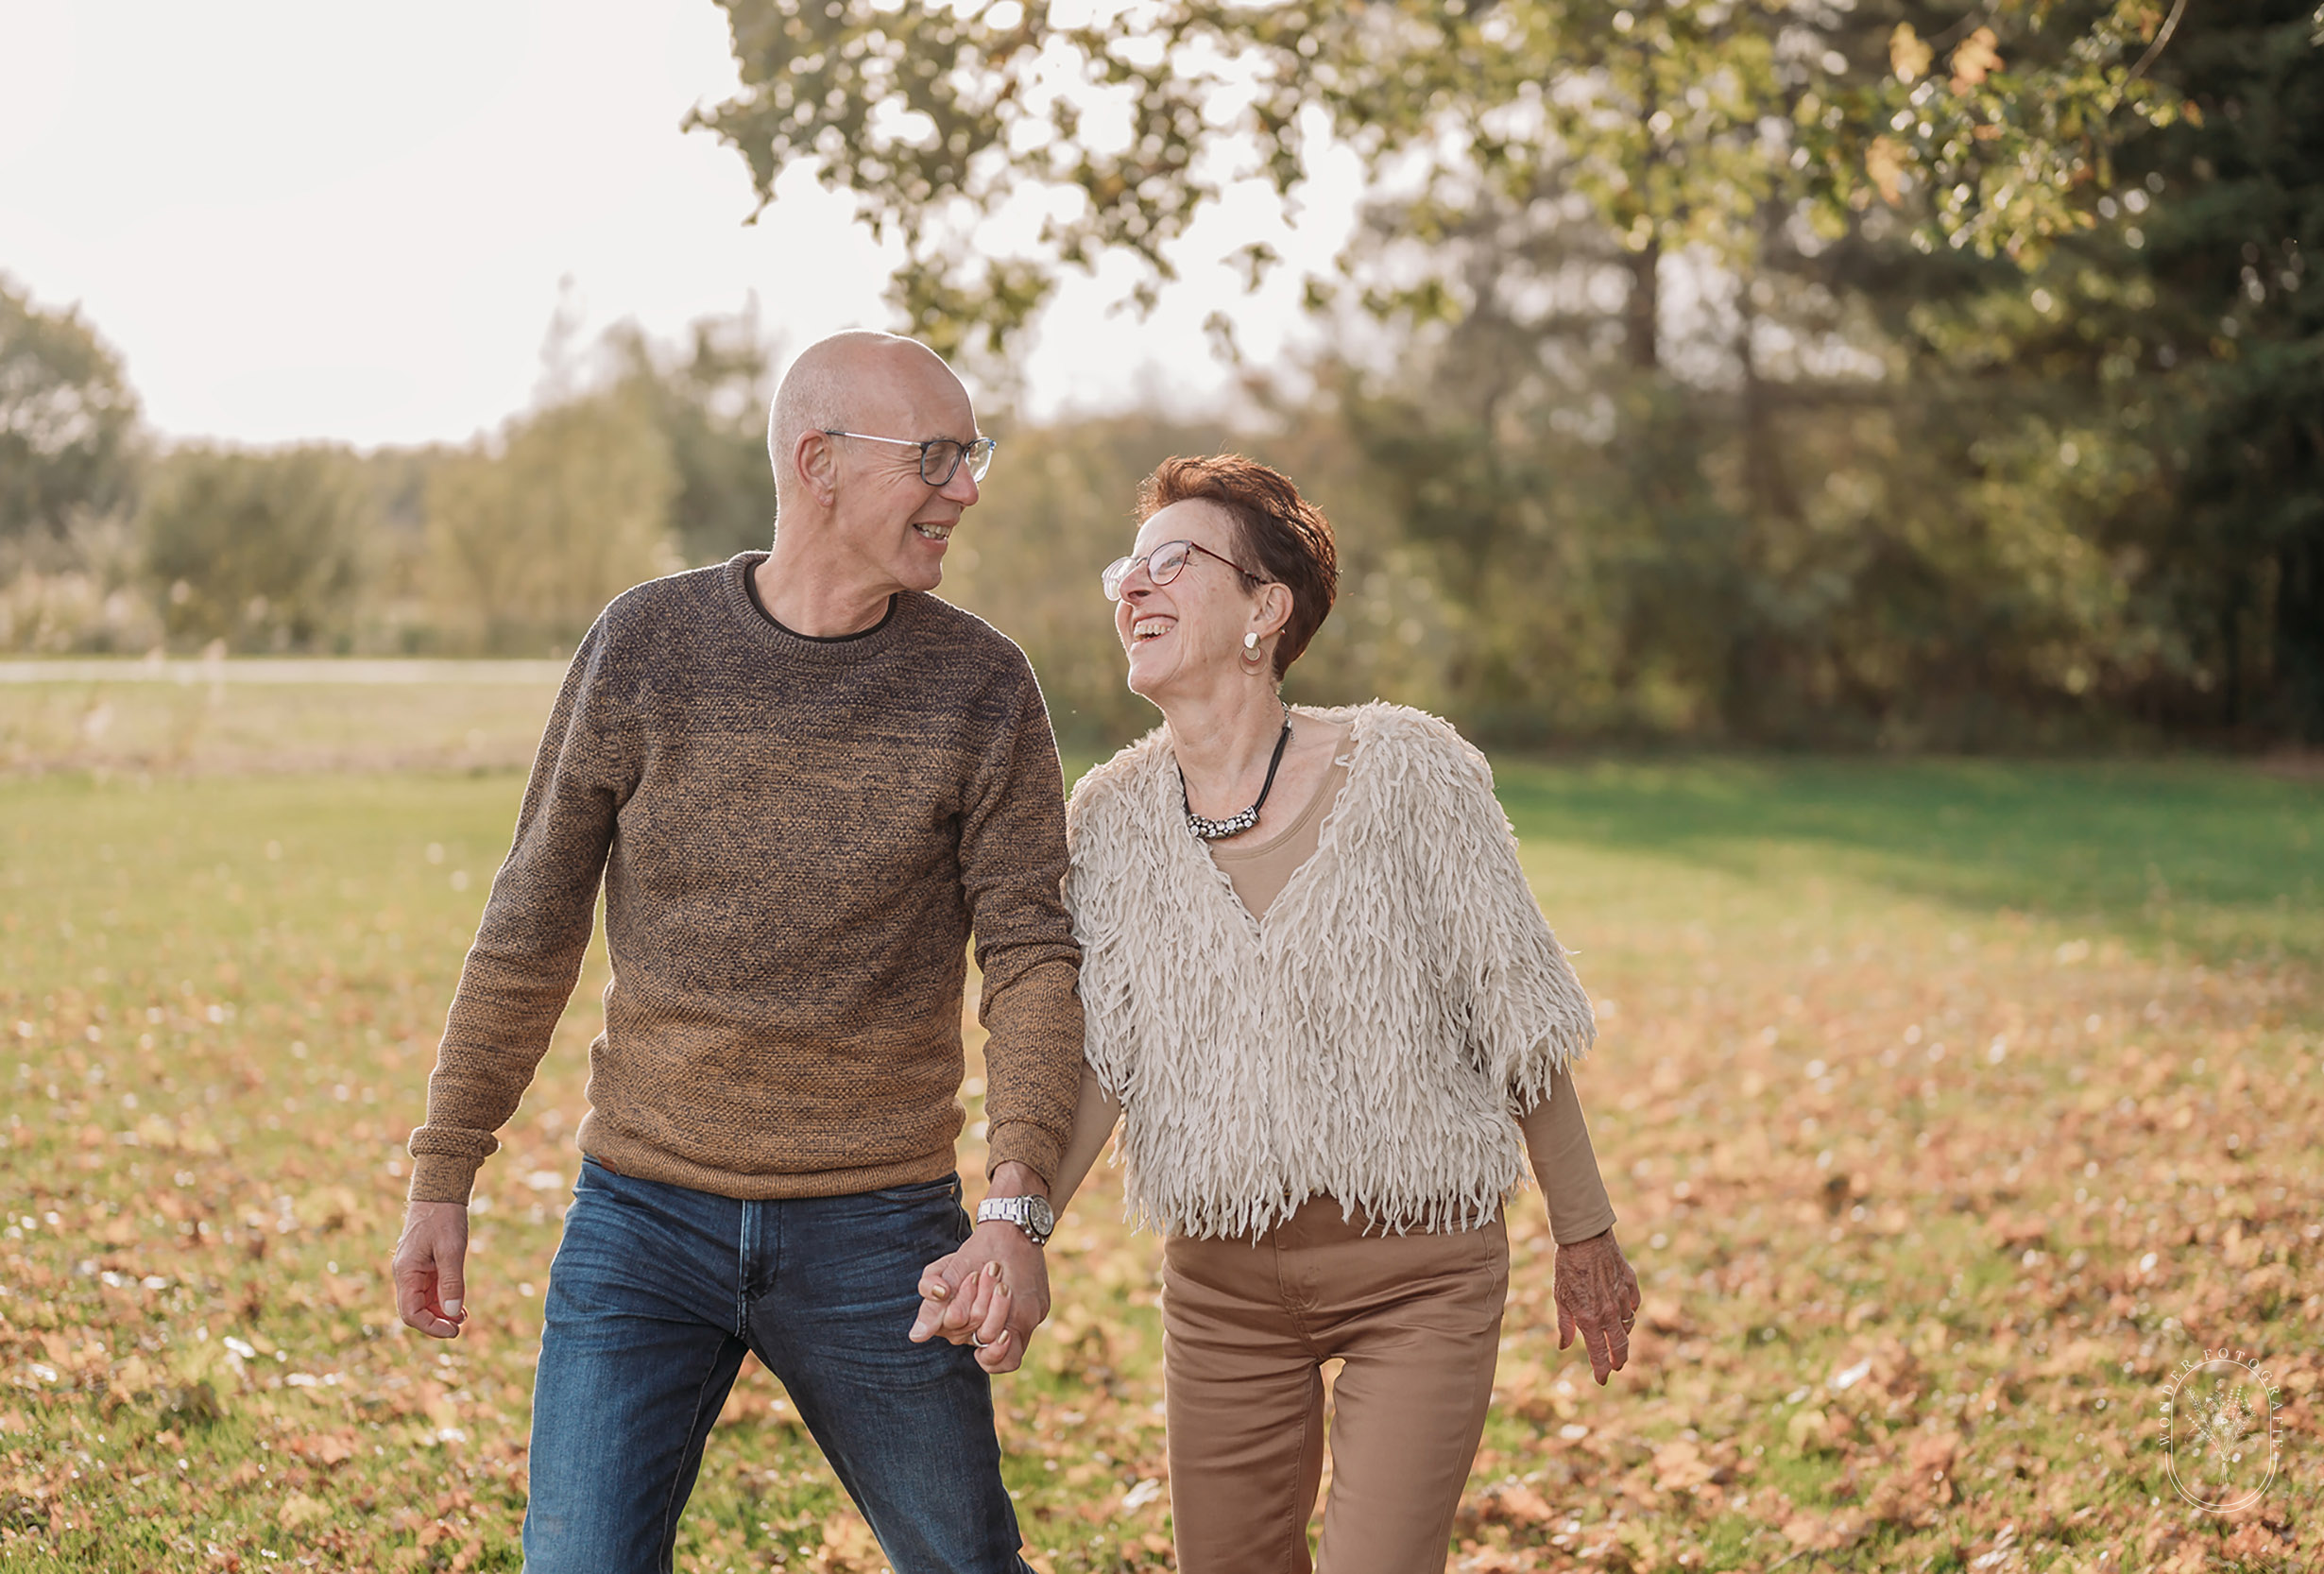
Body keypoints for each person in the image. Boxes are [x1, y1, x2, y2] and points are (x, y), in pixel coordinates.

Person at [389, 330, 1080, 1574]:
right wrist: (446, 1167)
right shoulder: (647, 645)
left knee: (968, 1563)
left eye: (972, 453)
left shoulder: (982, 685)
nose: (967, 487)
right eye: (936, 455)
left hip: (879, 1227)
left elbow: (1031, 954)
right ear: (819, 461)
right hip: (643, 1218)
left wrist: (1018, 1202)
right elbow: (531, 919)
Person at [926, 453, 1642, 1573]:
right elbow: (1107, 1056)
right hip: (1222, 1295)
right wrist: (1017, 1231)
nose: (1134, 587)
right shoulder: (1109, 819)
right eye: (1129, 566)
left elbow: (1518, 1010)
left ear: (1266, 608)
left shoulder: (1411, 769)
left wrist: (1583, 1227)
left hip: (1421, 1275)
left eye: (1175, 561)